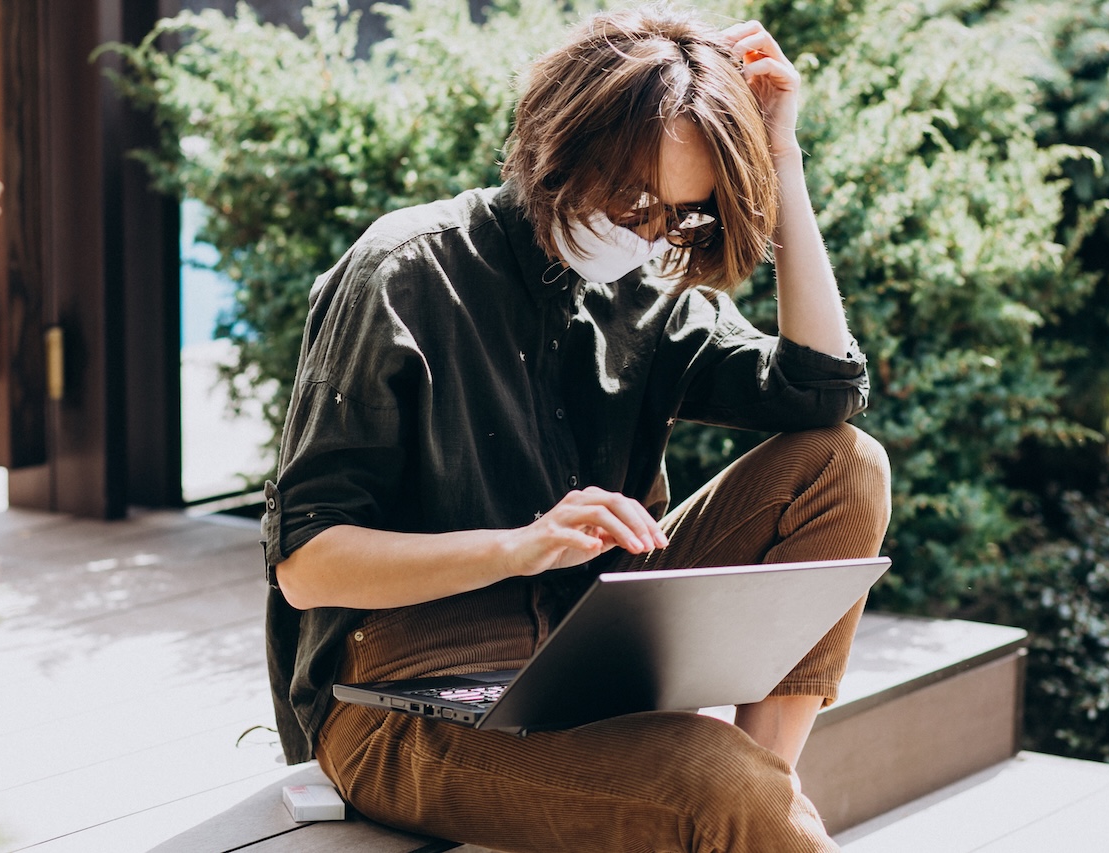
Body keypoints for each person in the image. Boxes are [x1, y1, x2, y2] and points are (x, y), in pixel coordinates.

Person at [259, 5, 892, 851]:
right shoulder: (405, 273)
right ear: (561, 140)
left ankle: (759, 795)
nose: (648, 232)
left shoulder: (648, 293)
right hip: (398, 697)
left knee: (844, 463)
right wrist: (520, 545)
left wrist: (782, 158)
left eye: (680, 213)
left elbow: (820, 390)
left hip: (593, 647)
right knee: (720, 786)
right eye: (632, 199)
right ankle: (746, 808)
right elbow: (307, 566)